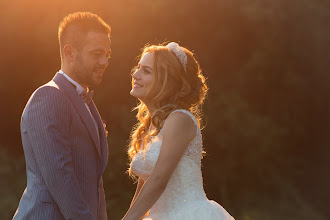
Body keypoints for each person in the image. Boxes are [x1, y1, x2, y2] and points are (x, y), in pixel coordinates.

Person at [13, 12, 111, 220]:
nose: (105, 61)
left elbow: (94, 185)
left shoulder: (87, 103)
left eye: (107, 55)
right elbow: (60, 177)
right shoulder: (48, 96)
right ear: (69, 52)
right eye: (96, 54)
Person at [123, 42, 234, 220]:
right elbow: (144, 188)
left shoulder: (180, 119)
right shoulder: (152, 126)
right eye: (138, 68)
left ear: (165, 80)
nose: (135, 75)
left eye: (146, 71)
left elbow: (159, 180)